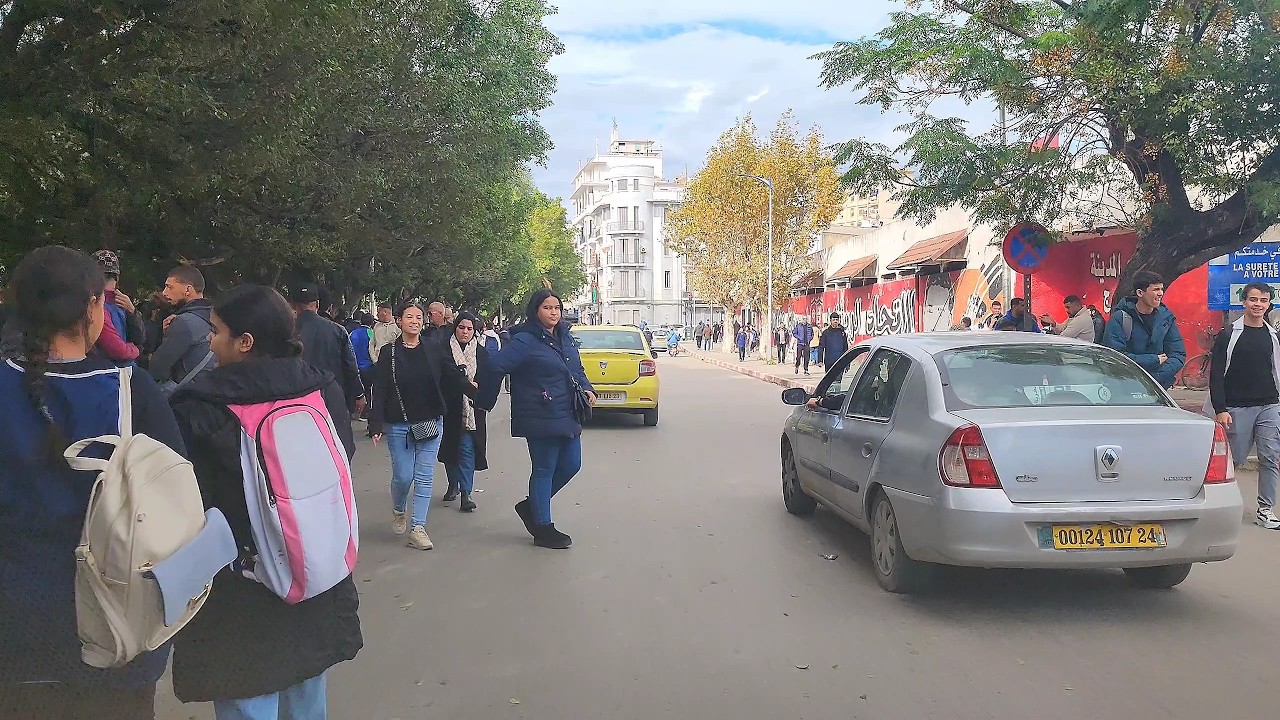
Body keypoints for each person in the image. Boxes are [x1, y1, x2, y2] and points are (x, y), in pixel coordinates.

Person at [0, 246, 185, 719]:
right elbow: (179, 502)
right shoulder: (130, 389)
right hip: (116, 626)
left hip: (16, 629)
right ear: (92, 308)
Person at [168, 284, 361, 719]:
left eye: (216, 331)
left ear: (245, 342)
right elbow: (341, 454)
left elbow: (188, 499)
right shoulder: (319, 388)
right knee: (308, 692)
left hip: (241, 586)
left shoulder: (202, 405)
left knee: (247, 698)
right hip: (314, 566)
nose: (210, 341)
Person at [477, 289, 596, 550]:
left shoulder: (565, 336)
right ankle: (542, 526)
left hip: (567, 410)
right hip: (540, 412)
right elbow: (496, 365)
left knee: (572, 464)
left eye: (557, 308)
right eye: (547, 308)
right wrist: (484, 401)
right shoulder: (525, 340)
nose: (553, 312)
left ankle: (531, 506)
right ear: (535, 311)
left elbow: (575, 368)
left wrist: (588, 388)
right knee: (544, 468)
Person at [368, 302, 471, 550]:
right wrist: (376, 423)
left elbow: (451, 374)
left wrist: (473, 389)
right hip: (398, 425)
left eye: (418, 317)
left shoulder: (433, 349)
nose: (414, 321)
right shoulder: (388, 353)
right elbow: (380, 389)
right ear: (399, 321)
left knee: (424, 477)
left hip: (430, 422)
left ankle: (418, 528)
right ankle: (399, 508)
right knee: (403, 477)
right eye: (409, 317)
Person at [1208, 282, 1280, 529]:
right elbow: (1216, 373)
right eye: (1253, 299)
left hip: (1269, 404)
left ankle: (1266, 509)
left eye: (1263, 300)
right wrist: (1221, 409)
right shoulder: (1229, 333)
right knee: (1234, 459)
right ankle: (1219, 504)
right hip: (1236, 407)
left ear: (1269, 304)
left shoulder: (1272, 336)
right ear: (1244, 302)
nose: (1258, 304)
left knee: (1270, 457)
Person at [1103, 270, 1186, 388]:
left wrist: (1155, 378)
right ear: (1140, 293)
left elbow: (1178, 354)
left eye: (1161, 289)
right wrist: (1153, 360)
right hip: (1125, 385)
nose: (1160, 293)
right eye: (1156, 289)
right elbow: (1115, 356)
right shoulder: (1121, 318)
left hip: (1158, 387)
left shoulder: (1166, 318)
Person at [291, 285, 366, 416]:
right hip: (331, 397)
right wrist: (359, 394)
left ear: (294, 306)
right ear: (317, 305)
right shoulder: (337, 330)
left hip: (296, 400)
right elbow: (350, 367)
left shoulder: (287, 331)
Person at [441, 312, 489, 512]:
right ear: (455, 328)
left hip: (473, 410)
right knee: (451, 450)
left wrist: (480, 392)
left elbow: (488, 379)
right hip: (448, 408)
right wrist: (466, 384)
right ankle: (453, 483)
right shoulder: (443, 349)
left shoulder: (482, 353)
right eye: (462, 327)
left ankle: (466, 493)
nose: (465, 332)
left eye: (469, 329)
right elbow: (444, 375)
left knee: (467, 450)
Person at [152, 265, 216, 391]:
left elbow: (157, 368)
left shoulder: (184, 322)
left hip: (182, 399)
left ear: (188, 290)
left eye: (169, 287)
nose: (164, 293)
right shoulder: (215, 320)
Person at [91, 250, 145, 365]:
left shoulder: (91, 302)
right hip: (118, 365)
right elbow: (135, 341)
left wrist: (133, 312)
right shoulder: (122, 302)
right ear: (117, 277)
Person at [349, 311, 376, 420]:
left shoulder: (353, 333)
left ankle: (354, 411)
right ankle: (366, 412)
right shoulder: (371, 333)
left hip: (355, 366)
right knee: (368, 390)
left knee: (356, 389)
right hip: (368, 366)